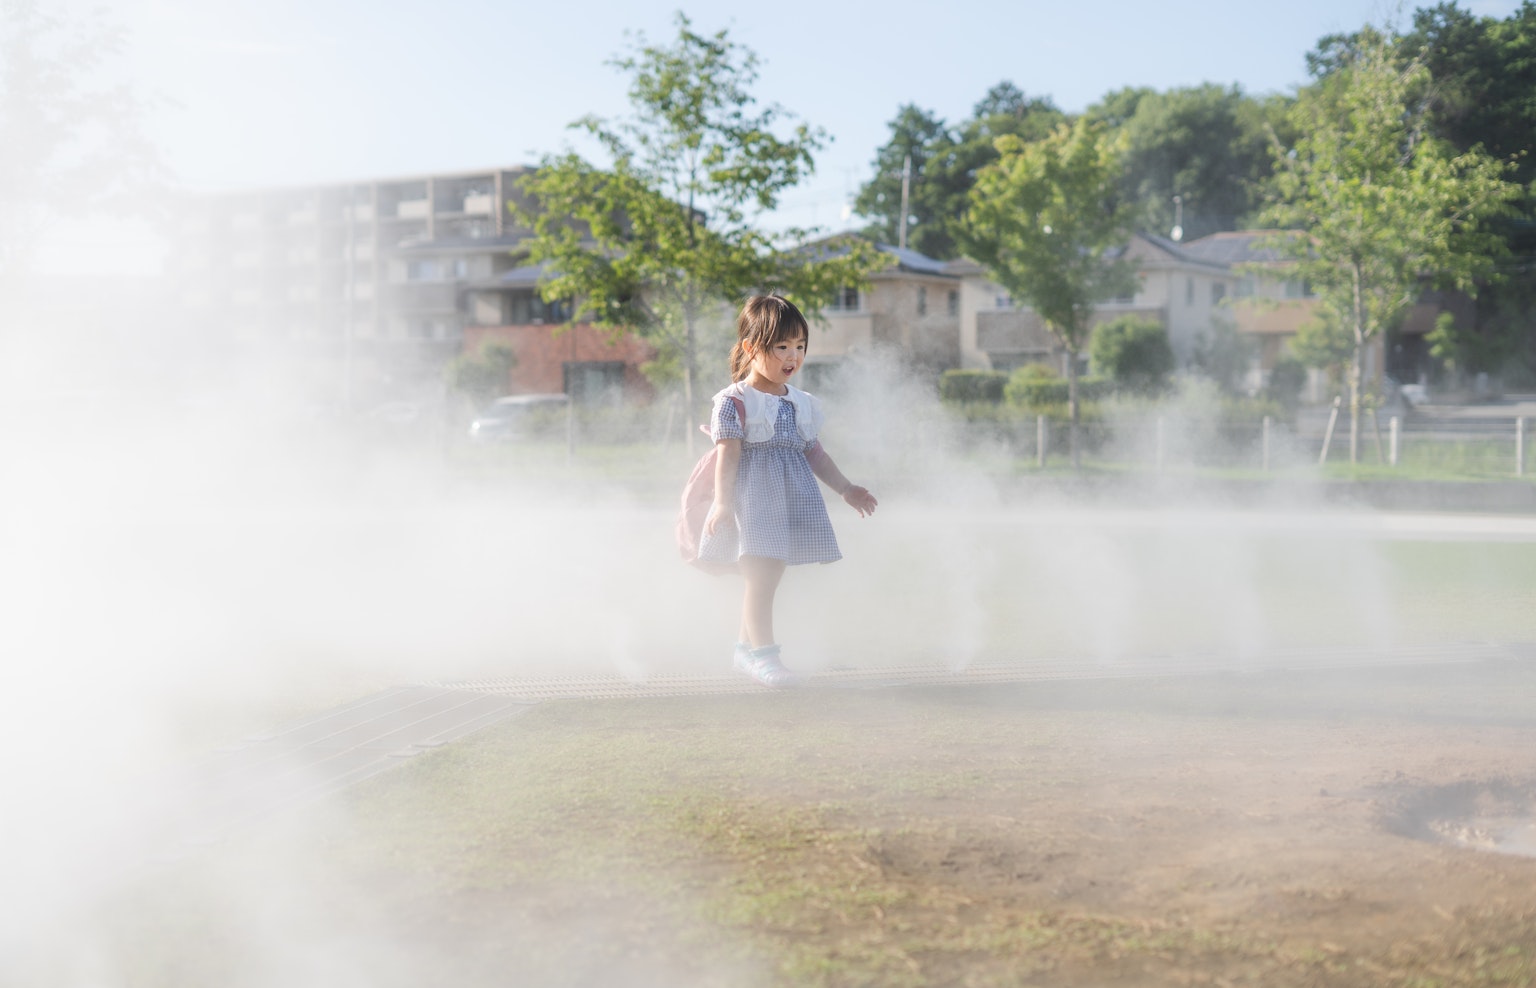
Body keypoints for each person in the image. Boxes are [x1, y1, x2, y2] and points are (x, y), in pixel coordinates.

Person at [698, 294, 878, 687]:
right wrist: (723, 504)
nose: (792, 356)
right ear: (751, 348)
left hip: (787, 501)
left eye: (799, 346)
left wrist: (846, 489)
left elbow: (815, 454)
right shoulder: (734, 402)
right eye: (781, 346)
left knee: (769, 574)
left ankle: (745, 651)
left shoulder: (800, 404)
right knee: (760, 576)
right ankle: (762, 656)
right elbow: (727, 456)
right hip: (753, 500)